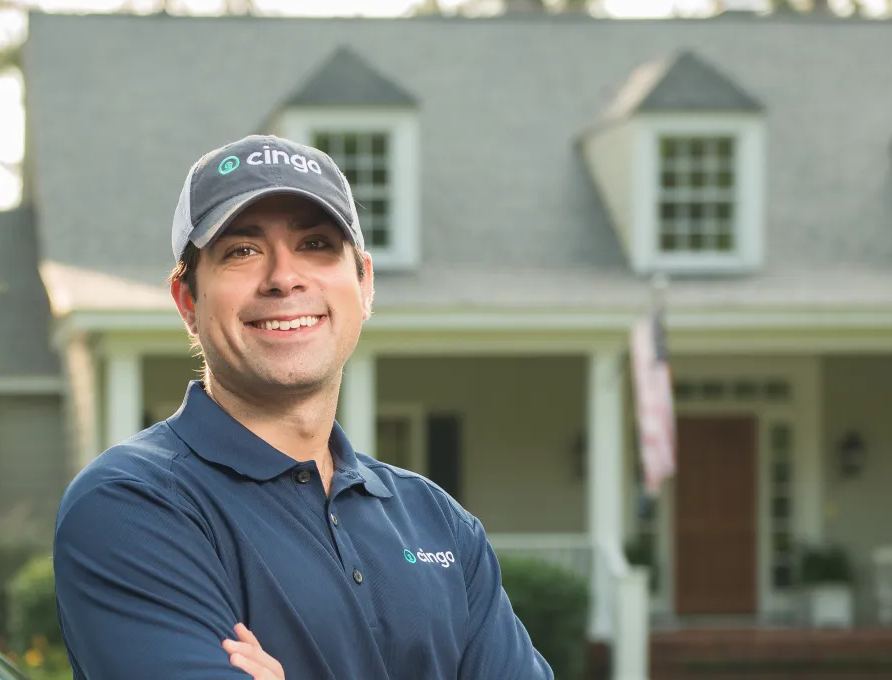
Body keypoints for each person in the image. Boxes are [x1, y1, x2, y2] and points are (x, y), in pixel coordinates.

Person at [51, 134, 553, 679]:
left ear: (364, 284)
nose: (284, 278)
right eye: (242, 251)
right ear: (188, 302)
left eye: (315, 244)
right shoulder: (132, 505)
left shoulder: (440, 523)